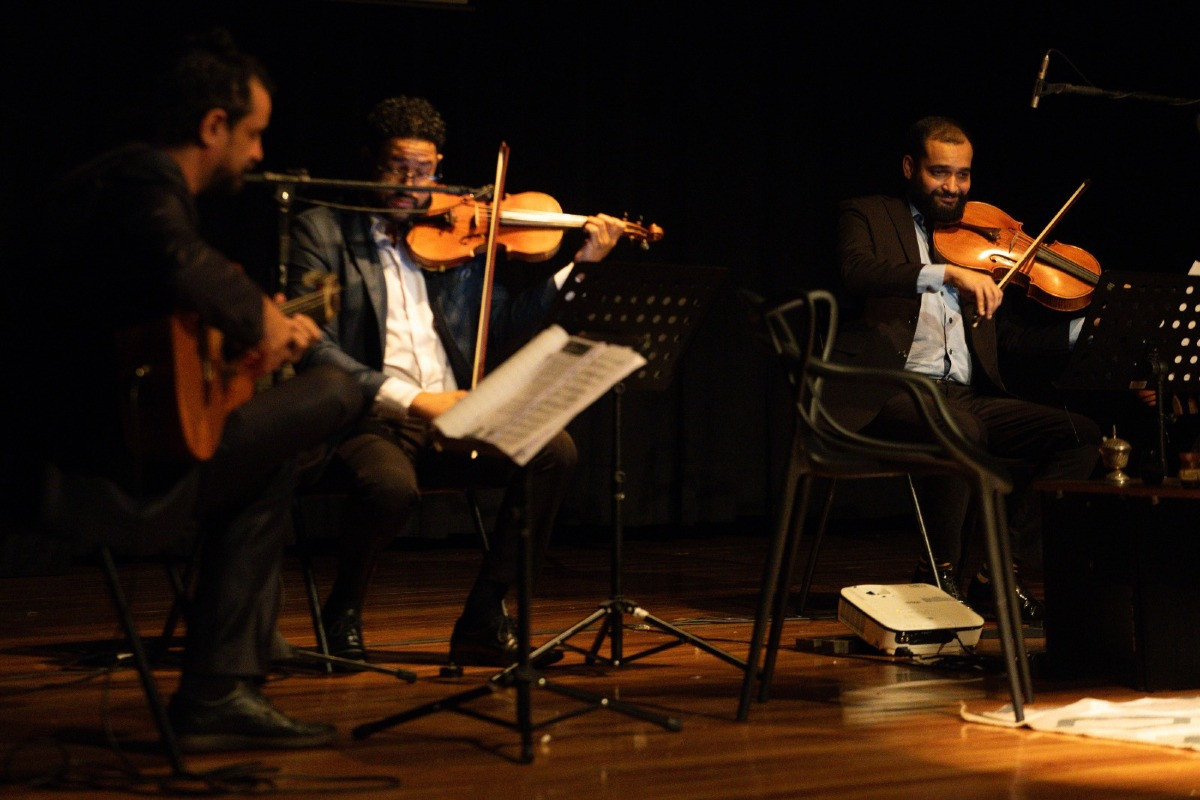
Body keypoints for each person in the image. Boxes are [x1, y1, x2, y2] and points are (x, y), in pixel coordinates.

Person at [22, 29, 363, 751]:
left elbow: (156, 301)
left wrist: (242, 347)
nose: (259, 154)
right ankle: (220, 686)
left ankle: (224, 686)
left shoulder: (114, 185)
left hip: (109, 443)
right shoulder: (142, 181)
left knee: (269, 462)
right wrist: (260, 318)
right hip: (108, 466)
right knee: (333, 390)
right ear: (214, 126)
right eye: (254, 134)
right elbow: (180, 262)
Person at [287, 95, 627, 666]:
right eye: (396, 167)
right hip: (369, 417)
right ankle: (342, 611)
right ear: (368, 161)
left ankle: (484, 616)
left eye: (424, 171)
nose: (410, 184)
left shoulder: (454, 239)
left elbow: (511, 323)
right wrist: (415, 399)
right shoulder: (322, 232)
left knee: (553, 450)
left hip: (456, 414)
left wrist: (582, 264)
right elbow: (314, 347)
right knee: (390, 487)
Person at [830, 115, 1101, 621]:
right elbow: (856, 270)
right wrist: (943, 272)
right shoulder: (867, 214)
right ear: (911, 168)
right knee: (962, 428)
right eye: (940, 173)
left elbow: (1013, 342)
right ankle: (938, 573)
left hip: (962, 394)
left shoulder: (978, 238)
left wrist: (1081, 330)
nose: (953, 187)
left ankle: (1000, 573)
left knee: (1078, 435)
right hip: (887, 388)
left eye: (963, 175)